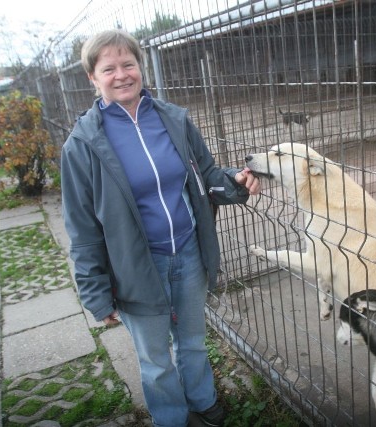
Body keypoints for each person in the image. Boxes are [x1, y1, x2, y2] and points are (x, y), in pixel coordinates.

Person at [60, 29, 261, 427]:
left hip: (187, 253)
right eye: (109, 68)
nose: (121, 74)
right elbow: (82, 228)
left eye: (128, 64)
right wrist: (97, 293)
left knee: (192, 343)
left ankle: (204, 405)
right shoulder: (82, 145)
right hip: (135, 266)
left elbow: (204, 176)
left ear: (141, 67)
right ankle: (171, 418)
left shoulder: (173, 119)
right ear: (93, 78)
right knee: (154, 359)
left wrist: (233, 184)